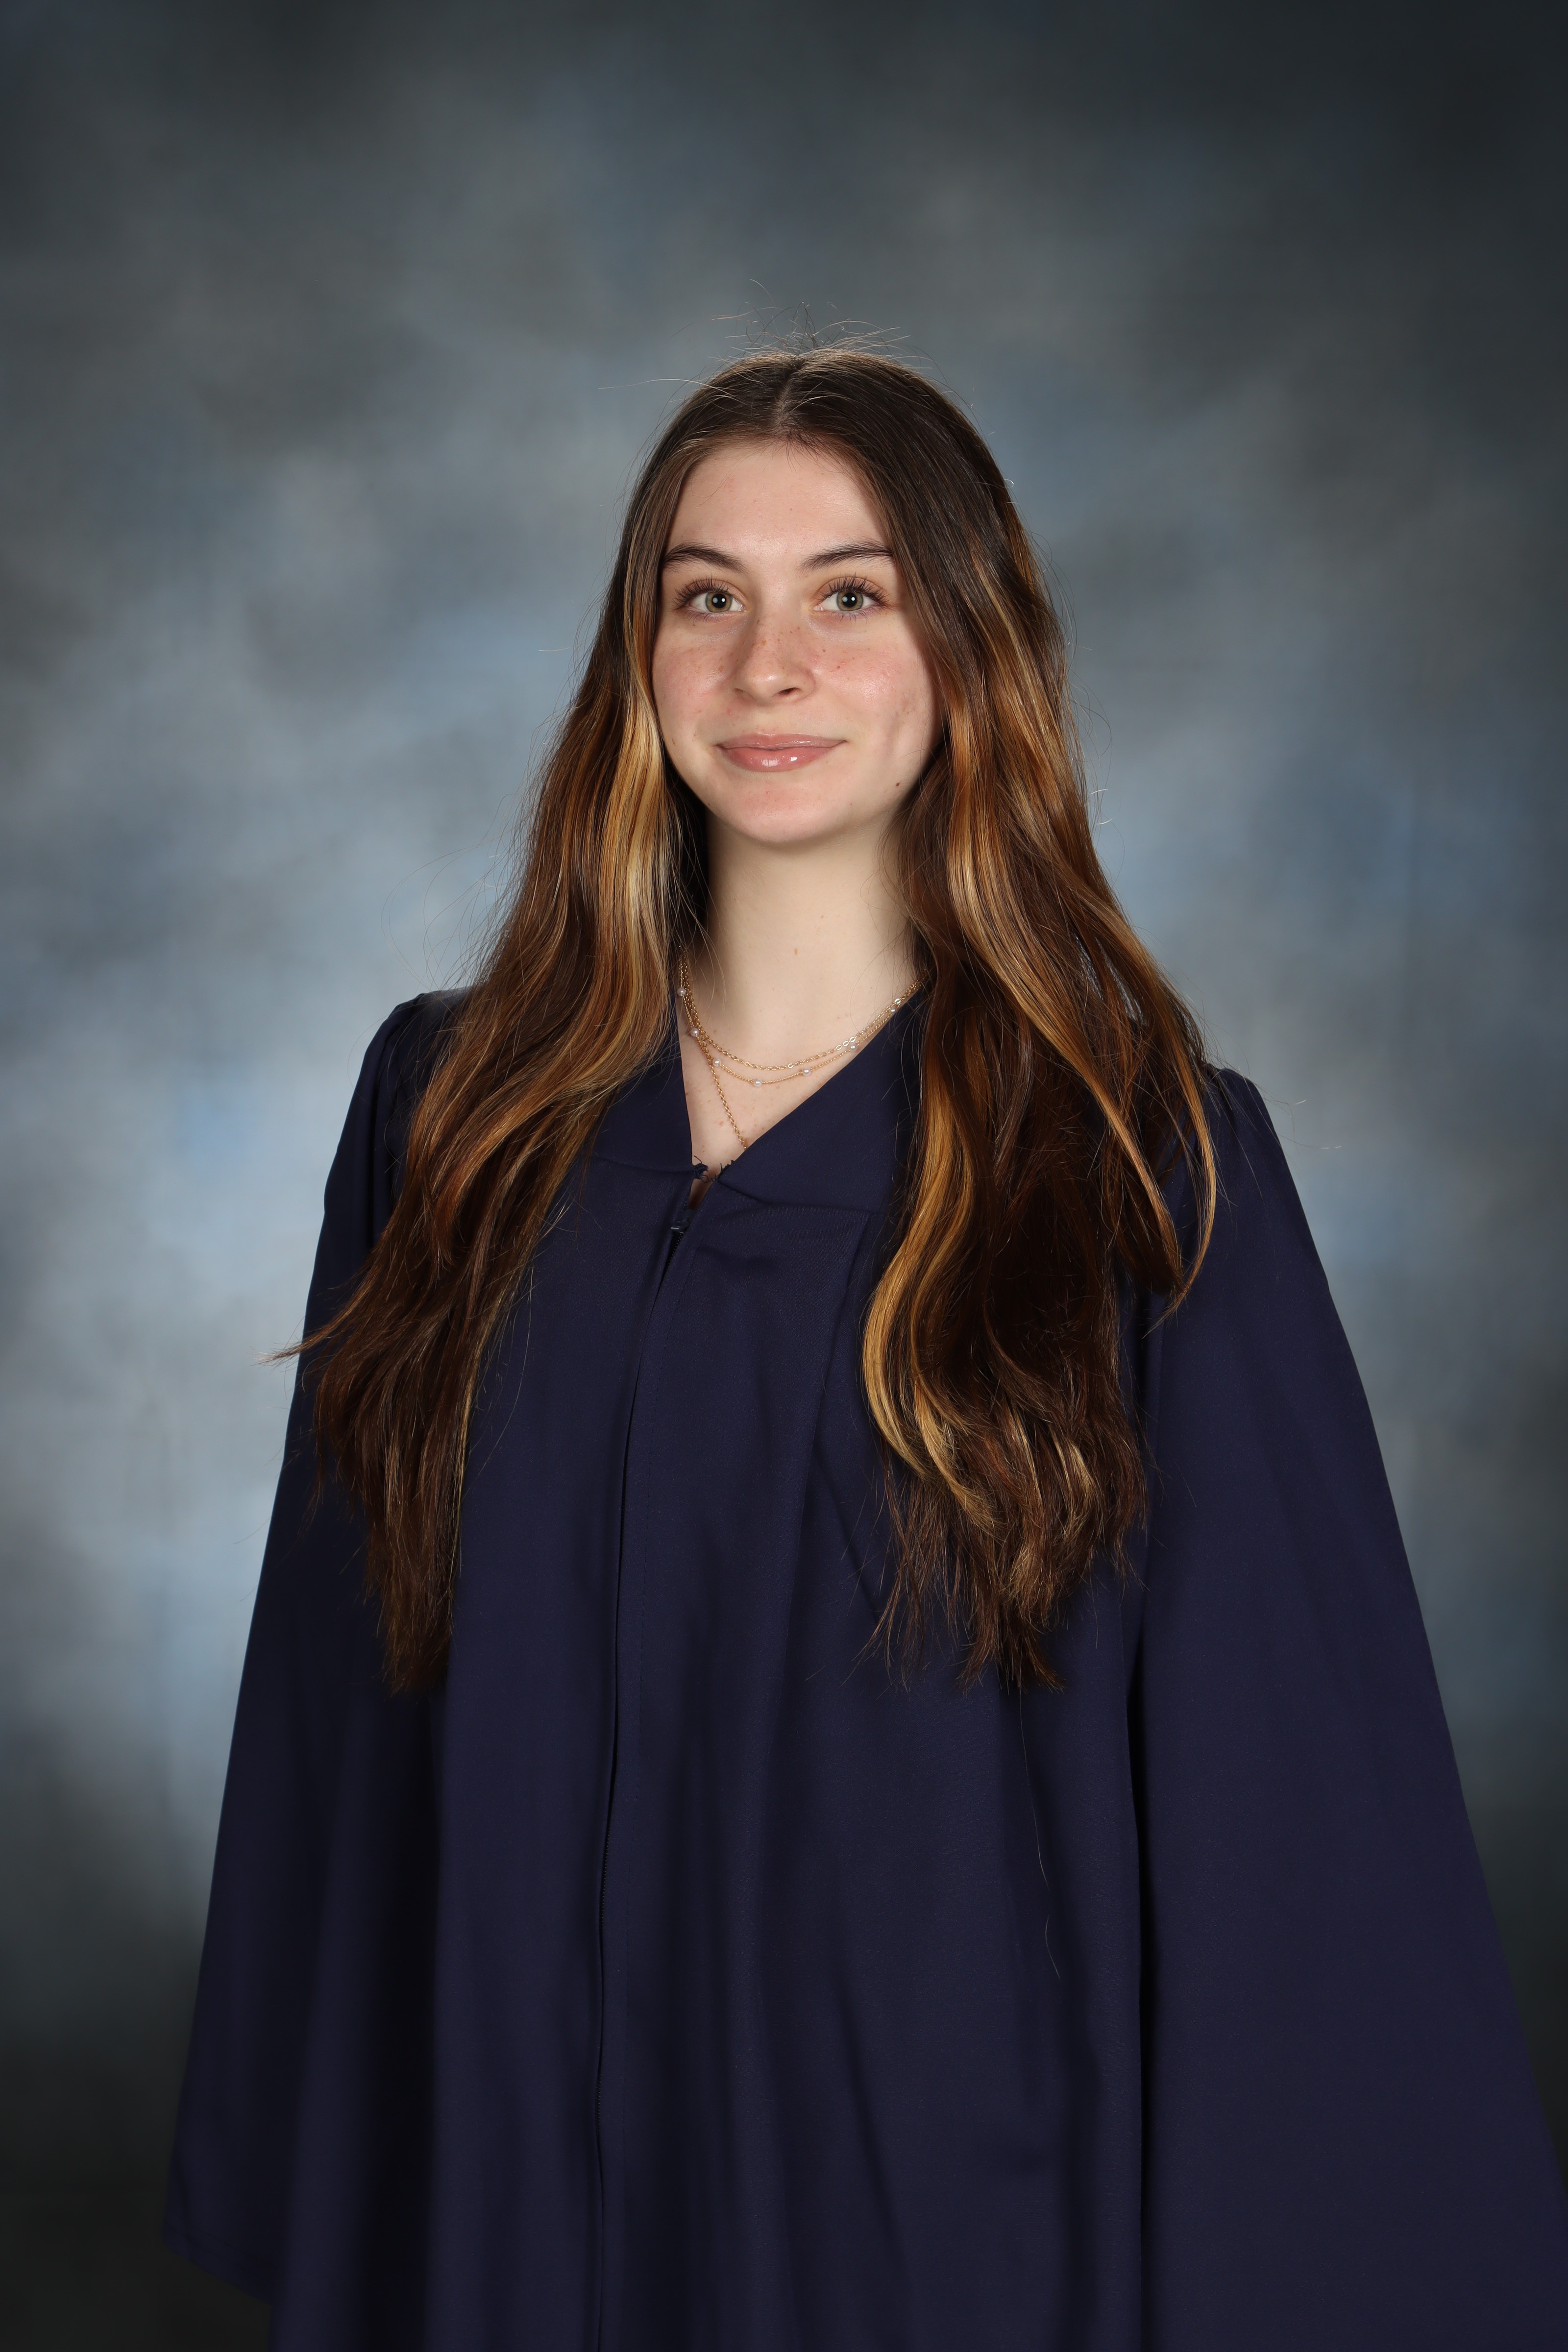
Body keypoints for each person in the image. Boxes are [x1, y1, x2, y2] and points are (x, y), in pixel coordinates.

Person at [165, 348, 1568, 2350]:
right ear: (639, 656)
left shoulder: (1135, 1163)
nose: (769, 666)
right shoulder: (455, 1116)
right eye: (706, 594)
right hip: (521, 2164)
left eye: (851, 592)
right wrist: (338, 2181)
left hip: (938, 2200)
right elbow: (341, 1703)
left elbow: (1288, 1793)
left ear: (966, 647)